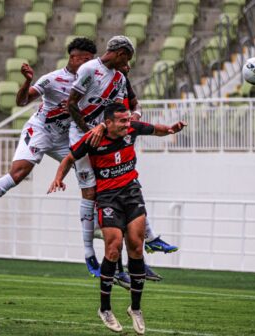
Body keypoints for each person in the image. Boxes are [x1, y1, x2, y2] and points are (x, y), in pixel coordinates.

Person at [0, 38, 106, 275]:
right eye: (85, 59)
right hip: (40, 131)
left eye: (91, 60)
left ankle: (95, 224)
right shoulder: (52, 79)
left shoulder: (90, 81)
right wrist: (27, 81)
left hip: (64, 137)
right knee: (18, 173)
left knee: (90, 172)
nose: (89, 64)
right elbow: (22, 101)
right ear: (73, 57)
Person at [48, 102, 187, 334]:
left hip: (132, 193)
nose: (127, 123)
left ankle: (135, 308)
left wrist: (171, 130)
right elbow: (69, 159)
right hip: (108, 198)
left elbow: (155, 129)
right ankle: (105, 309)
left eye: (127, 120)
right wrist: (58, 177)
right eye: (122, 121)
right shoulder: (93, 140)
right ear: (108, 123)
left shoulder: (132, 129)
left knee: (136, 247)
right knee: (113, 248)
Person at [67, 36, 178, 278]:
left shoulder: (119, 78)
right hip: (83, 135)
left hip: (108, 136)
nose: (128, 64)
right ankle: (89, 254)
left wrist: (128, 121)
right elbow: (71, 103)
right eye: (127, 59)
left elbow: (123, 107)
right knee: (91, 192)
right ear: (119, 53)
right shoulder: (89, 70)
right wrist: (89, 133)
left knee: (126, 185)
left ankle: (141, 248)